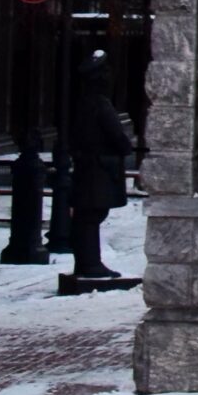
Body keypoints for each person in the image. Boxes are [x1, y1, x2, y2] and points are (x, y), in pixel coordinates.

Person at [67, 51, 134, 281]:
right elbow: (117, 136)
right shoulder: (100, 104)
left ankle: (86, 262)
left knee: (87, 215)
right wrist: (125, 147)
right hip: (98, 169)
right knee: (91, 214)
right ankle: (90, 263)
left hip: (88, 167)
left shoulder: (85, 103)